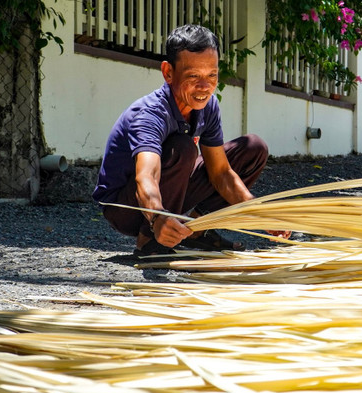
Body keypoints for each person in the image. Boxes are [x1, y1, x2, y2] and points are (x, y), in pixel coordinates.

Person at [93, 24, 287, 256]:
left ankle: (195, 231)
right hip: (127, 208)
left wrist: (260, 213)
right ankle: (150, 239)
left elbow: (221, 174)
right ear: (168, 73)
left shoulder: (208, 106)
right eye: (193, 76)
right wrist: (157, 217)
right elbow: (147, 175)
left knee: (253, 148)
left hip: (168, 196)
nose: (205, 87)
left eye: (212, 75)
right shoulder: (150, 114)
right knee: (183, 148)